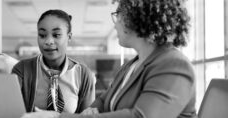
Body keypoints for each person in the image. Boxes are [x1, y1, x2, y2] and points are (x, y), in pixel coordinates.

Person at [21, 0, 197, 118]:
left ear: (138, 19)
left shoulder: (173, 65)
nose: (115, 22)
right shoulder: (132, 65)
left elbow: (140, 116)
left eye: (119, 14)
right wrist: (92, 109)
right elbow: (105, 99)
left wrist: (57, 116)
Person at [12, 9, 96, 114]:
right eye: (42, 35)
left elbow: (87, 117)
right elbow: (12, 113)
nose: (48, 41)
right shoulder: (22, 70)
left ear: (69, 37)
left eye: (56, 35)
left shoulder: (83, 75)